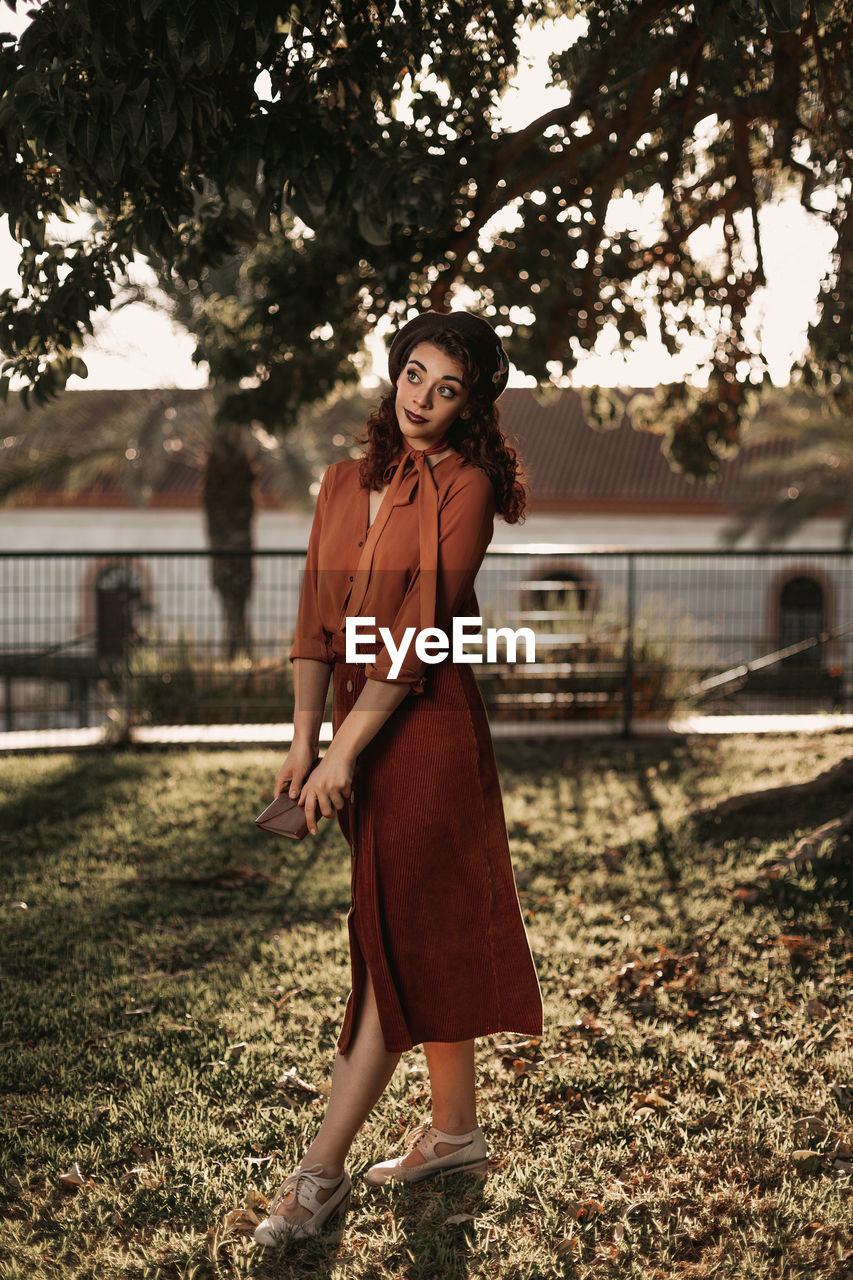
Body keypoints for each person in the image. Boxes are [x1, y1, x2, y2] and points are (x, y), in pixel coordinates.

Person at [252, 309, 543, 1247]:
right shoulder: (341, 483)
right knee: (413, 924)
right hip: (351, 724)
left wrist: (344, 748)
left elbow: (421, 633)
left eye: (447, 388)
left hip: (424, 729)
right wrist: (306, 742)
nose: (423, 399)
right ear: (394, 373)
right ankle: (454, 1133)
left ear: (470, 406)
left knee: (392, 941)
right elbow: (312, 625)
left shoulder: (466, 488)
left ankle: (318, 1174)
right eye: (415, 375)